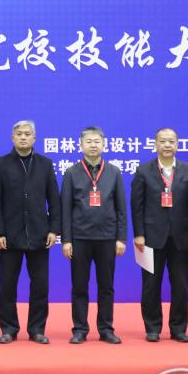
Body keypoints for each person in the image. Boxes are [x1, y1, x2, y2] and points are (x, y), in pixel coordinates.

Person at [0, 120, 60, 344]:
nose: (23, 137)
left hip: (40, 235)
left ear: (34, 138)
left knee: (40, 285)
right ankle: (8, 329)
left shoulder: (45, 164)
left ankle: (37, 329)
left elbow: (54, 200)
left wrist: (54, 229)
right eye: (19, 134)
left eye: (27, 134)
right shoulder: (0, 165)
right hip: (9, 236)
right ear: (12, 138)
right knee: (7, 285)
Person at [131, 127, 188, 342]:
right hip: (149, 238)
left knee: (180, 285)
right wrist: (139, 234)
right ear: (155, 144)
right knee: (150, 285)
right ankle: (152, 327)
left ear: (177, 144)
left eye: (171, 141)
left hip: (181, 238)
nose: (167, 145)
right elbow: (137, 206)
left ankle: (178, 328)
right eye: (163, 141)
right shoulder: (143, 170)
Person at [61, 126, 127, 344]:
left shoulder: (114, 172)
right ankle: (80, 329)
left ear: (104, 144)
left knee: (106, 286)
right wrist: (67, 240)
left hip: (107, 238)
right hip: (80, 238)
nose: (93, 145)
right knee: (79, 286)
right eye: (88, 141)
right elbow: (66, 209)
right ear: (81, 145)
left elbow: (121, 208)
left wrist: (121, 238)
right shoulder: (71, 173)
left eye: (97, 141)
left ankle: (106, 329)